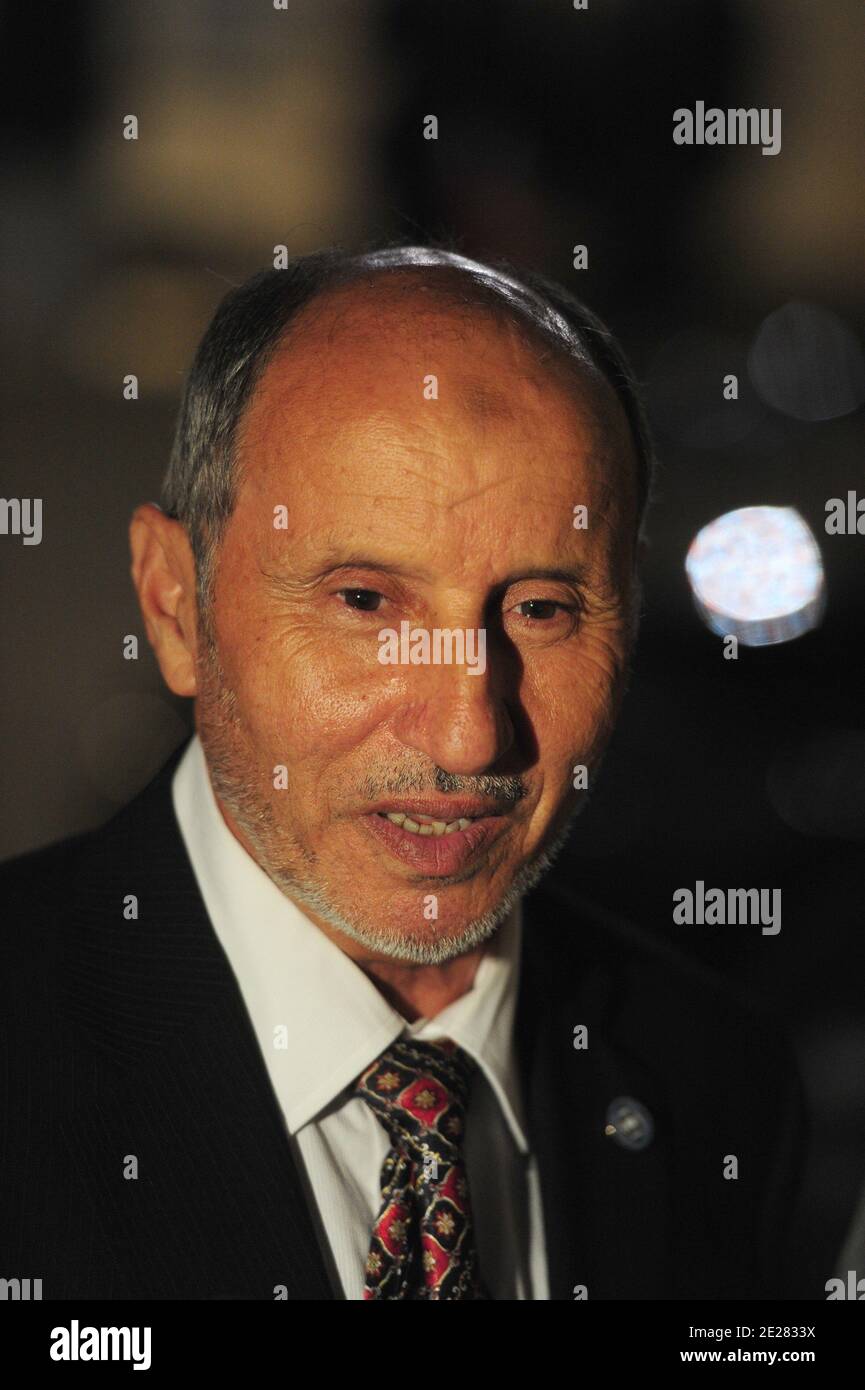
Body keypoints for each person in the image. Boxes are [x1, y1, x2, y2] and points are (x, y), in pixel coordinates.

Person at [0, 246, 805, 1300]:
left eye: (541, 610)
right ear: (175, 606)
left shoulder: (717, 1081)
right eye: (366, 602)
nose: (469, 736)